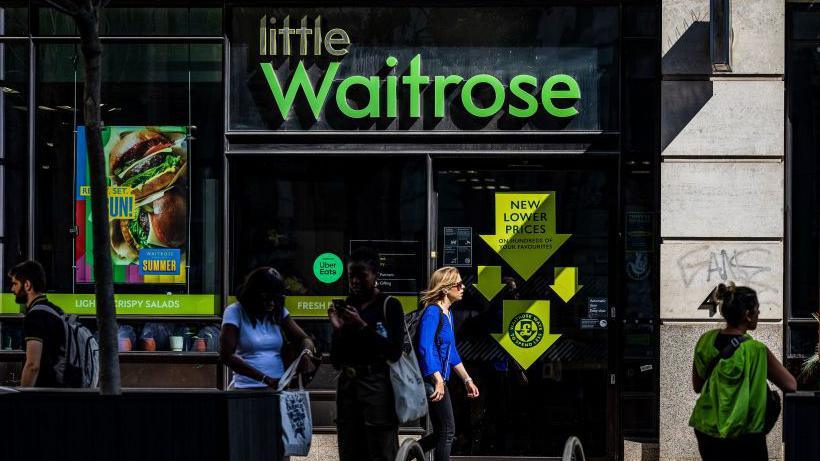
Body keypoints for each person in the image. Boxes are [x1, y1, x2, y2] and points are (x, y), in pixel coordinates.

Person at [689, 283, 796, 460]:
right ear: (748, 315)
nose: (759, 314)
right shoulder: (756, 350)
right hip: (746, 436)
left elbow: (697, 386)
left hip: (707, 430)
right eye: (757, 310)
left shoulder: (705, 341)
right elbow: (791, 385)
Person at [329, 247, 404, 461]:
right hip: (348, 386)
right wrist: (338, 329)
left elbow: (394, 352)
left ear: (375, 275)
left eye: (361, 275)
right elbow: (335, 360)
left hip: (377, 385)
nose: (355, 281)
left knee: (380, 449)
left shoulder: (389, 305)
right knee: (349, 449)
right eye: (351, 276)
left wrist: (362, 326)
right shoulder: (348, 305)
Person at [417, 266, 480, 461]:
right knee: (447, 431)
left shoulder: (447, 313)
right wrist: (438, 380)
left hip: (438, 379)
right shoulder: (433, 312)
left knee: (440, 433)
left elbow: (451, 352)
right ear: (445, 288)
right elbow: (424, 347)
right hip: (431, 380)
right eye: (459, 284)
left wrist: (467, 379)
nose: (463, 288)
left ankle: (400, 455)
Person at [220, 266, 317, 390]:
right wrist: (265, 379)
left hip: (277, 386)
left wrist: (306, 354)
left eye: (275, 299)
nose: (272, 303)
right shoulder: (235, 311)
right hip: (246, 387)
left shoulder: (278, 311)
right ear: (253, 295)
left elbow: (304, 338)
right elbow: (226, 355)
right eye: (266, 298)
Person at [8, 260, 64, 388]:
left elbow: (33, 365)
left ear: (27, 285)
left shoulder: (35, 316)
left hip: (46, 392)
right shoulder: (56, 311)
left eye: (15, 284)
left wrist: (24, 396)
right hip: (62, 389)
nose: (12, 289)